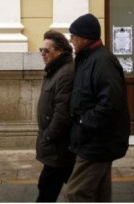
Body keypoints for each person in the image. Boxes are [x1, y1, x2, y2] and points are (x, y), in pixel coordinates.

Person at [65, 13, 130, 202]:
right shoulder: (87, 58)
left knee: (76, 192)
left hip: (97, 141)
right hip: (94, 139)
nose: (71, 40)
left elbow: (111, 104)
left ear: (85, 38)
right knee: (99, 194)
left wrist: (84, 121)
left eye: (73, 36)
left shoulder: (103, 61)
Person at [35, 30, 75, 202]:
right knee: (74, 187)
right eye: (41, 50)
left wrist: (48, 136)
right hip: (56, 146)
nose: (43, 54)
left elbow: (62, 113)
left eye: (46, 50)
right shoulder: (54, 70)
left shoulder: (65, 73)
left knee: (46, 188)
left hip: (58, 146)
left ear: (59, 51)